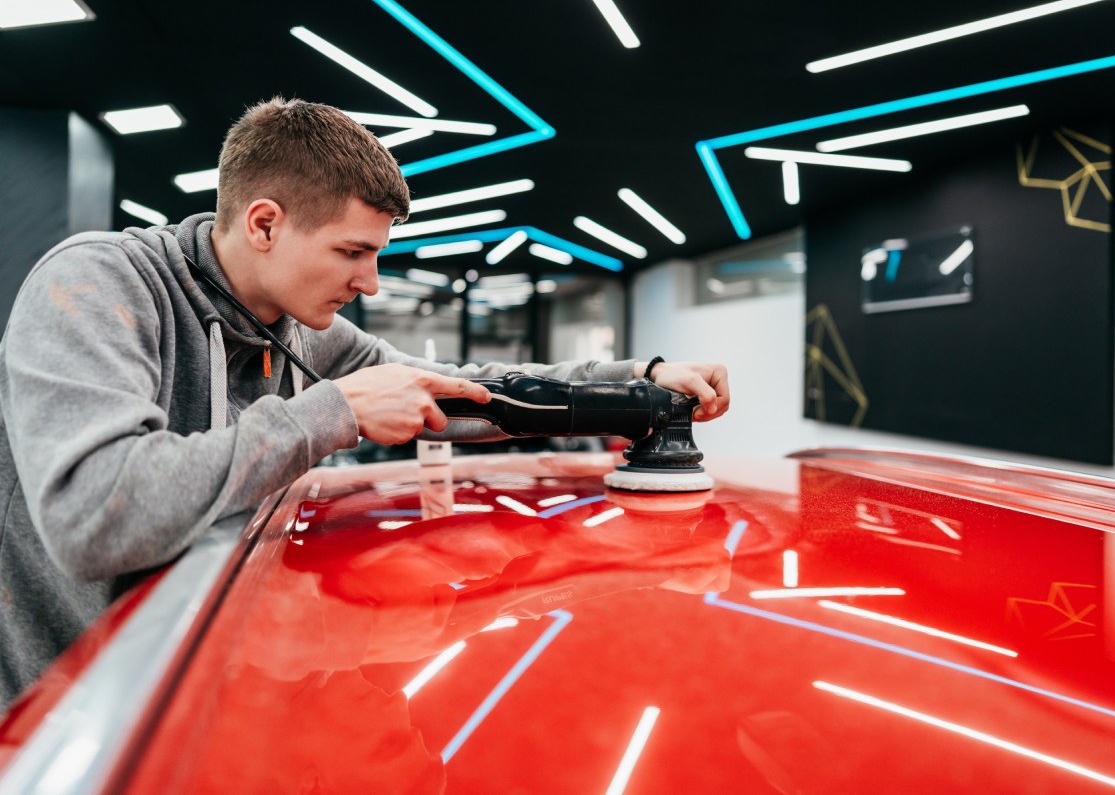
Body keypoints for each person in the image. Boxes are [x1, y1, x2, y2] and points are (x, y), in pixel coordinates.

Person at [0, 97, 729, 709]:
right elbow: (94, 515)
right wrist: (332, 412)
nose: (372, 283)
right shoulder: (98, 285)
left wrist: (637, 380)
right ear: (264, 223)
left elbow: (465, 392)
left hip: (194, 692)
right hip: (65, 721)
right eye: (352, 253)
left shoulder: (291, 328)